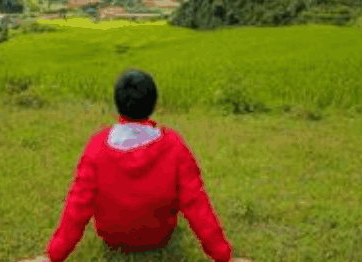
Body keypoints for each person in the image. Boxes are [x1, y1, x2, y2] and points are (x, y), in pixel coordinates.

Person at [18, 69, 250, 262]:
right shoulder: (174, 144)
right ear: (154, 103)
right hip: (160, 235)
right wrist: (224, 257)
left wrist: (52, 256)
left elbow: (77, 206)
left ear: (118, 103)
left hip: (112, 236)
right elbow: (196, 203)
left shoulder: (97, 145)